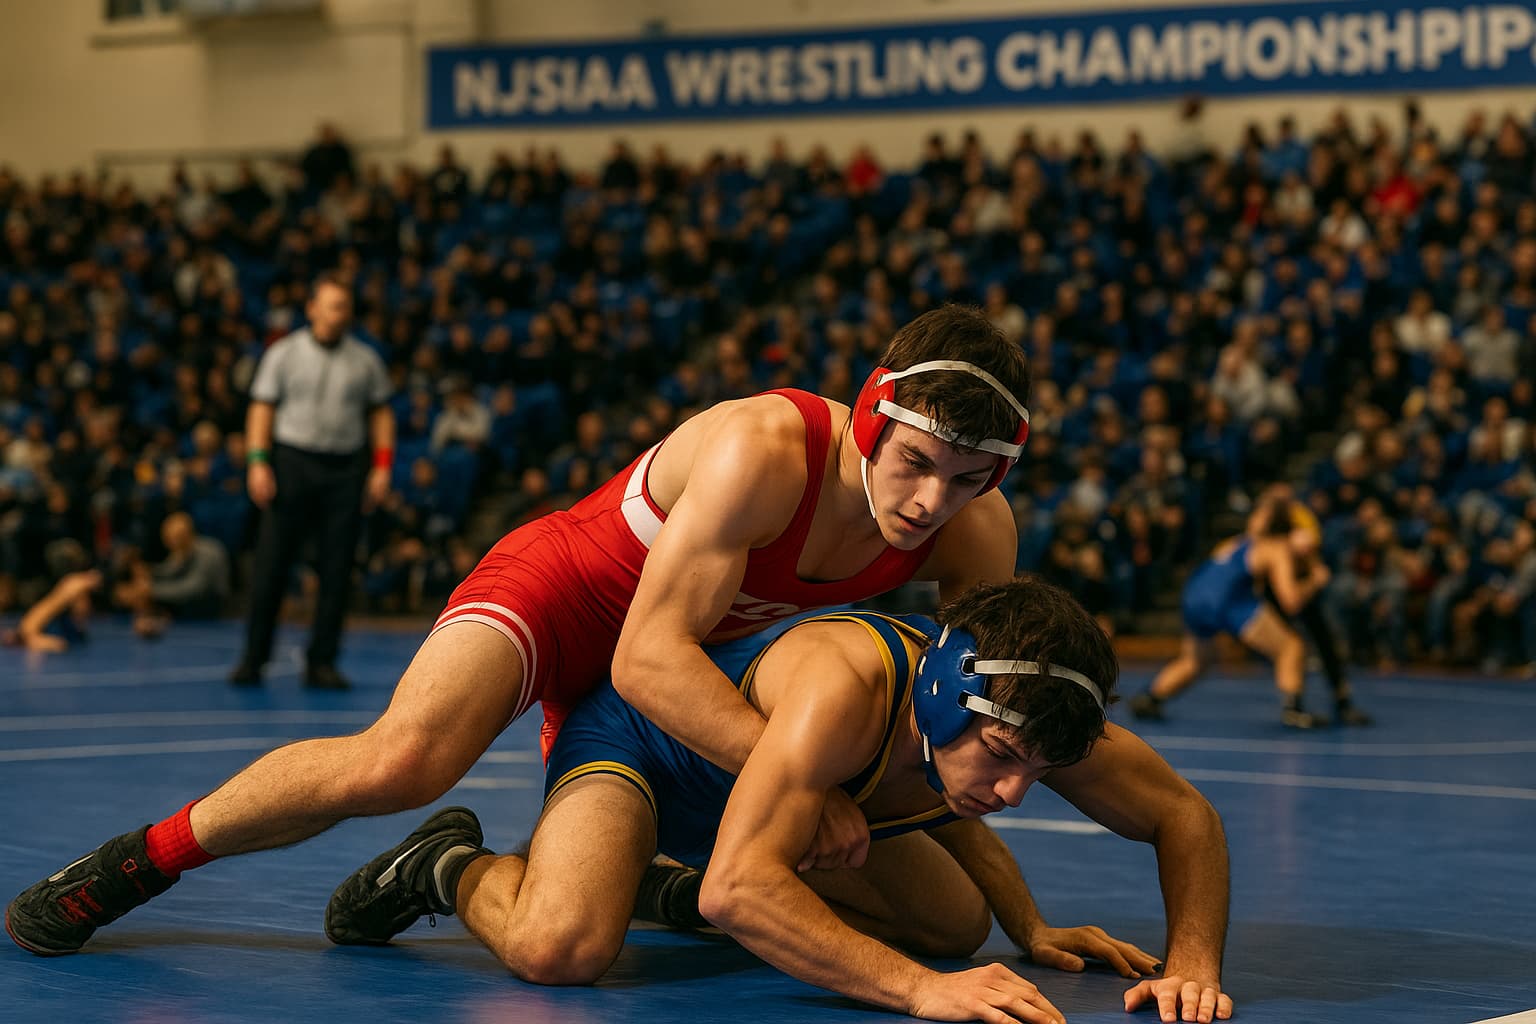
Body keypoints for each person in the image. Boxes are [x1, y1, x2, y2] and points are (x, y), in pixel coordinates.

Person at [6, 306, 1031, 959]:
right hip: (577, 595)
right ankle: (144, 858)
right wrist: (800, 789)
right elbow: (641, 653)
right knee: (404, 759)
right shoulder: (765, 447)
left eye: (967, 477)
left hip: (691, 675)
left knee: (936, 924)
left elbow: (952, 734)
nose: (932, 500)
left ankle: (565, 879)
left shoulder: (978, 532)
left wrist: (1024, 924)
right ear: (866, 424)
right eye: (915, 463)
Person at [326, 577, 1233, 1024]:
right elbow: (742, 892)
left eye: (1039, 774)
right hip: (646, 753)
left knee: (956, 924)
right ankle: (447, 864)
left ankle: (657, 886)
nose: (1012, 793)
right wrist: (921, 993)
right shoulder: (845, 688)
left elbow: (1180, 813)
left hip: (764, 806)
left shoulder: (1025, 707)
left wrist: (1182, 960)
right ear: (943, 693)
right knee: (560, 948)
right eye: (1003, 758)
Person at [229, 271, 394, 690]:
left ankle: (322, 661)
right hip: (292, 463)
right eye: (332, 306)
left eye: (345, 307)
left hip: (344, 469)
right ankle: (254, 658)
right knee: (272, 565)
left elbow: (381, 414)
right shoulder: (284, 353)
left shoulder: (365, 360)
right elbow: (262, 408)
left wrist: (382, 467)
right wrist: (257, 461)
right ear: (313, 309)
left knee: (336, 569)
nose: (339, 315)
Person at [1128, 496, 1335, 729]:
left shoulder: (1238, 541)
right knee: (1291, 647)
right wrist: (1315, 580)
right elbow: (1291, 601)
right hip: (1227, 599)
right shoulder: (1276, 547)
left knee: (1196, 661)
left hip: (1195, 592)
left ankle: (1150, 698)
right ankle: (1294, 710)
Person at [1255, 484, 1372, 725]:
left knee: (1320, 641)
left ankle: (1338, 700)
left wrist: (1311, 571)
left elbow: (1310, 552)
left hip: (1297, 587)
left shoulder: (1298, 521)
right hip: (1277, 590)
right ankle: (1296, 704)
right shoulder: (1262, 522)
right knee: (1294, 645)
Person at [113, 512, 231, 638]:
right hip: (191, 607)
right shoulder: (184, 549)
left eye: (174, 540)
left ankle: (155, 618)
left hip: (211, 608)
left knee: (155, 595)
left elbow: (194, 588)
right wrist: (147, 571)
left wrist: (151, 590)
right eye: (168, 540)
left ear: (186, 534)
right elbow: (170, 570)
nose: (171, 545)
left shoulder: (209, 552)